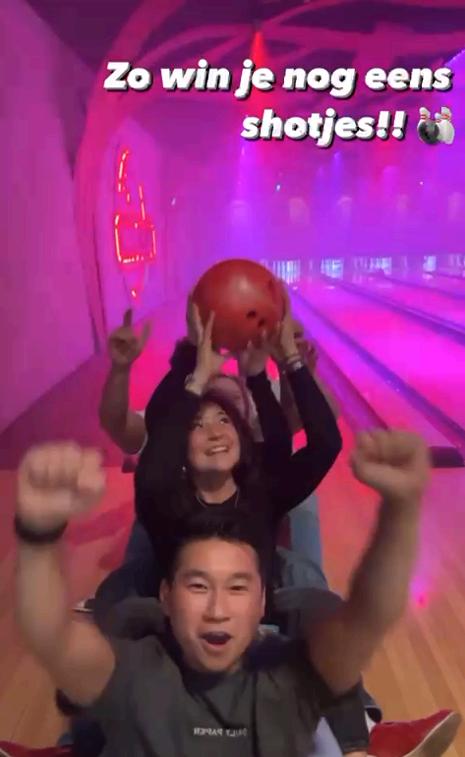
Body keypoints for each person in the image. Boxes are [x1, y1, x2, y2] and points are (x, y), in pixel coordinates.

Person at [13, 430, 460, 756]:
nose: (217, 609)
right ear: (166, 595)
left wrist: (401, 509)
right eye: (198, 585)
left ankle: (363, 737)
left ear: (263, 602)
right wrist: (38, 533)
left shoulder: (288, 679)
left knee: (315, 597)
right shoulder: (131, 675)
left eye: (237, 588)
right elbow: (51, 634)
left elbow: (368, 616)